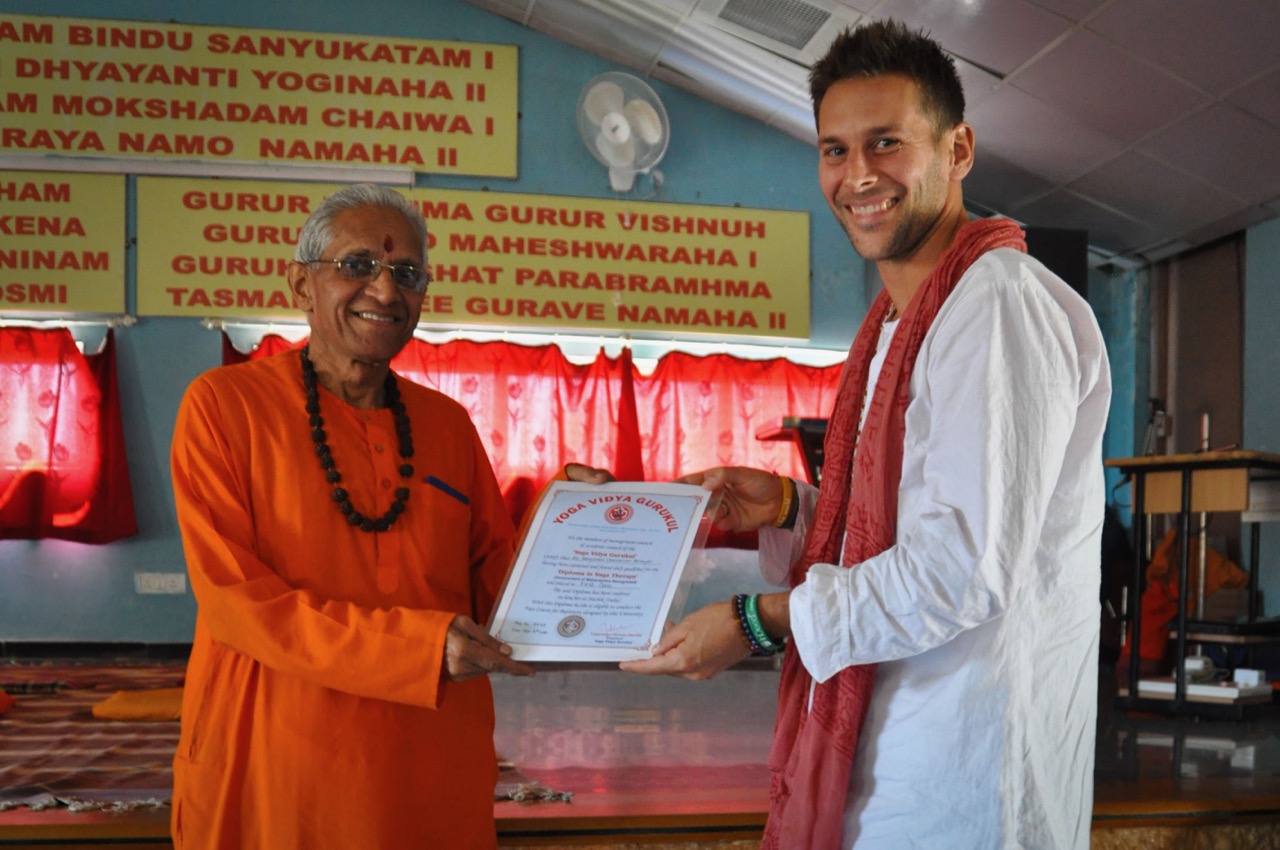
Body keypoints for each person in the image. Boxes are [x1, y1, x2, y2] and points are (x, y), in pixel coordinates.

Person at [619, 19, 1111, 850]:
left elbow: (960, 566)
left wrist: (755, 621)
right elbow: (904, 526)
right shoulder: (896, 321)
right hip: (885, 762)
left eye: (886, 143)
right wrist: (786, 507)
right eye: (835, 150)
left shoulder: (995, 305)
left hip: (968, 778)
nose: (858, 176)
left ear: (957, 151)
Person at [169, 183, 589, 849]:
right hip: (281, 766)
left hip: (429, 765)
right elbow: (236, 605)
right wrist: (417, 648)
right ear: (301, 286)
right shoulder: (225, 407)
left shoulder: (446, 425)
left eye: (407, 273)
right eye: (357, 266)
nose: (386, 292)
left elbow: (494, 592)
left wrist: (569, 521)